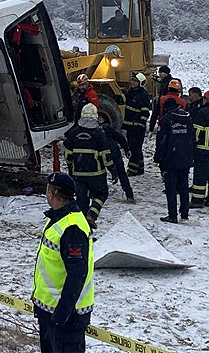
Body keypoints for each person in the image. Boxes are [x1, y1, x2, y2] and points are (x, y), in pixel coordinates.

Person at [33, 172, 94, 353]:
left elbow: (77, 273)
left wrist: (62, 314)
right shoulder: (57, 218)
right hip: (50, 312)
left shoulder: (72, 228)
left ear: (51, 194)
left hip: (66, 317)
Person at [64, 103, 112, 229]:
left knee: (81, 202)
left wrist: (71, 167)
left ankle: (83, 231)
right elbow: (105, 155)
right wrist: (113, 171)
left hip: (78, 174)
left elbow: (68, 154)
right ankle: (92, 214)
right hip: (96, 174)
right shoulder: (98, 134)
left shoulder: (73, 133)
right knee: (102, 194)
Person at [155, 98, 194, 223]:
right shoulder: (187, 118)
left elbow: (161, 142)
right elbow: (192, 138)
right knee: (183, 186)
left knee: (171, 188)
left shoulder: (165, 120)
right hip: (185, 157)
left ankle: (172, 215)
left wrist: (158, 159)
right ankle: (184, 214)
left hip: (170, 158)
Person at [122, 72, 150, 176]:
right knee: (136, 147)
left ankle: (133, 170)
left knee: (134, 148)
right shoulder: (130, 92)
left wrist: (141, 124)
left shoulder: (142, 95)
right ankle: (140, 168)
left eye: (135, 81)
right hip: (130, 126)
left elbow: (145, 112)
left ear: (141, 83)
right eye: (132, 80)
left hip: (137, 126)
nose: (133, 82)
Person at [100, 120, 135, 202]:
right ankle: (129, 195)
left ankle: (98, 193)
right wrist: (126, 149)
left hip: (102, 153)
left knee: (99, 173)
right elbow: (120, 137)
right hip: (114, 151)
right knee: (122, 172)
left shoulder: (92, 132)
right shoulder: (106, 128)